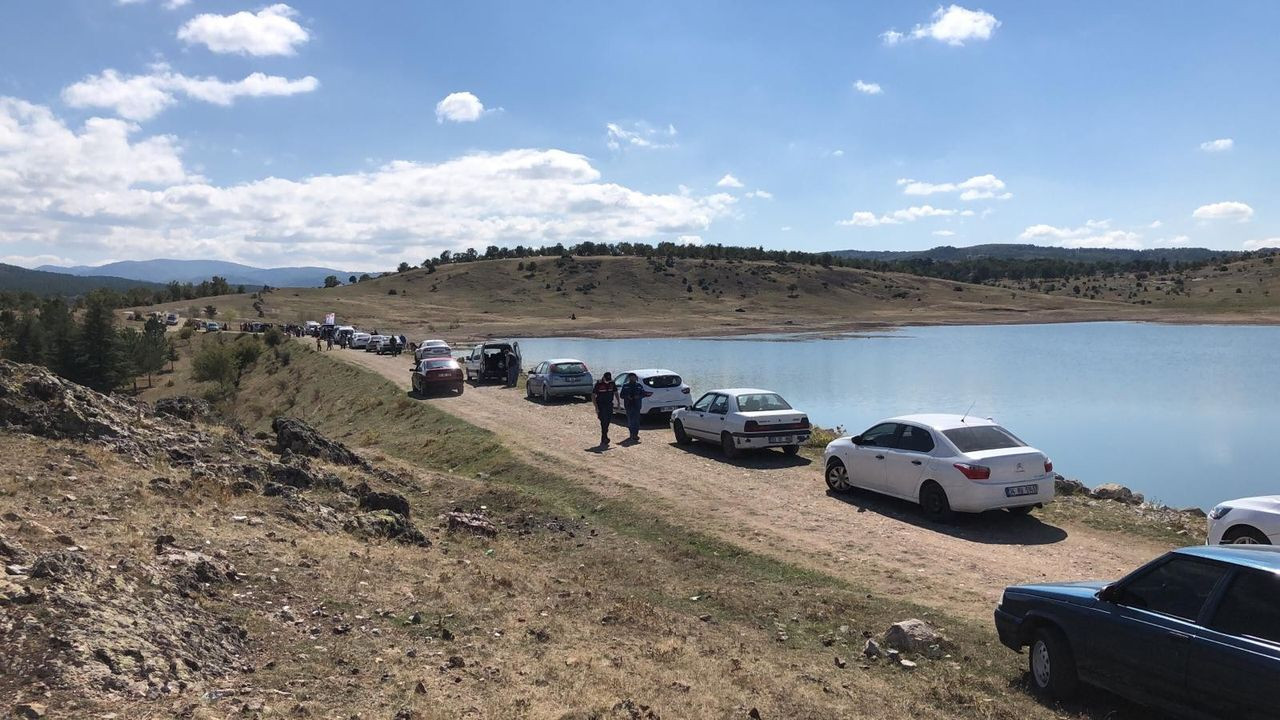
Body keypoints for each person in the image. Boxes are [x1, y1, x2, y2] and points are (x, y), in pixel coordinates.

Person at [618, 373, 645, 443]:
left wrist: (638, 396)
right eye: (631, 377)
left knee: (636, 420)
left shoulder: (639, 385)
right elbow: (621, 395)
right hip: (628, 405)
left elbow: (643, 394)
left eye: (634, 377)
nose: (633, 379)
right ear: (629, 378)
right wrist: (627, 396)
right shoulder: (625, 386)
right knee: (630, 420)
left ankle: (635, 434)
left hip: (637, 405)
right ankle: (632, 434)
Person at [592, 372, 617, 447]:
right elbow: (593, 396)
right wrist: (596, 407)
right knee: (603, 421)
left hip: (609, 405)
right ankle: (604, 438)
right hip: (601, 405)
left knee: (608, 421)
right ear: (603, 377)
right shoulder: (598, 384)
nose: (607, 381)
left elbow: (615, 392)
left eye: (609, 379)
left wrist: (618, 403)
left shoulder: (612, 383)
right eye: (606, 379)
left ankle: (605, 437)